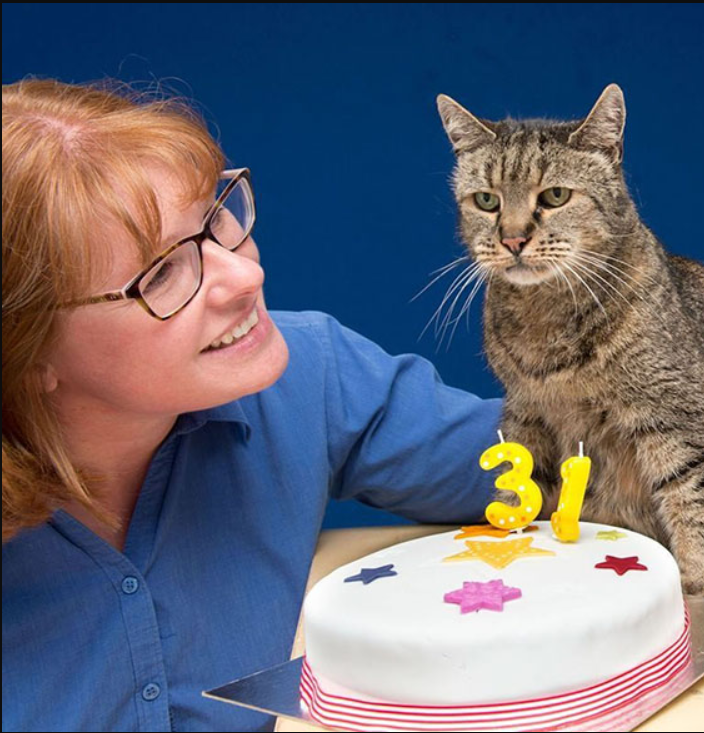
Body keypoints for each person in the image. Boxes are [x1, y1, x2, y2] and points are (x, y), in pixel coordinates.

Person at [2, 77, 502, 732]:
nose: (246, 276)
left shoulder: (312, 378)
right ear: (28, 349)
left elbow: (579, 457)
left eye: (216, 219)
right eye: (163, 274)